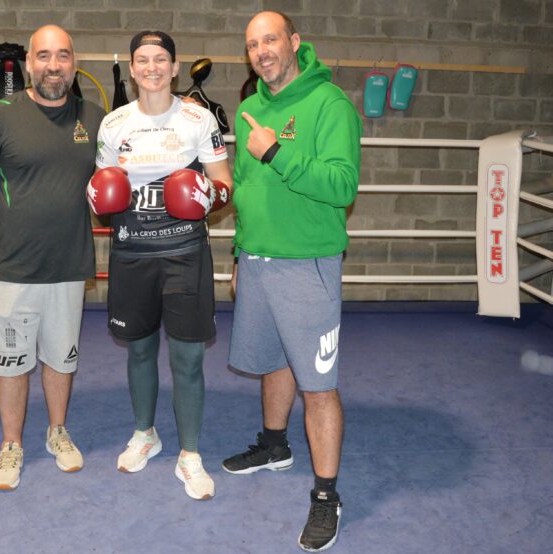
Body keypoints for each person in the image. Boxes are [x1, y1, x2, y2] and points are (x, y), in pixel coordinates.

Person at [222, 11, 361, 552]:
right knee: (273, 360)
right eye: (253, 44)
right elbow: (246, 190)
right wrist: (238, 252)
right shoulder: (250, 108)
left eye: (271, 39)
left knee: (318, 386)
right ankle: (274, 444)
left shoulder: (330, 105)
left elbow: (343, 185)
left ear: (294, 43)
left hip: (308, 263)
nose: (262, 51)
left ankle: (327, 495)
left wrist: (277, 152)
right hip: (257, 260)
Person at [0, 25, 105, 491]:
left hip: (69, 266)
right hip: (13, 267)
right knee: (10, 362)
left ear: (74, 62)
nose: (53, 66)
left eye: (62, 56)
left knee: (61, 357)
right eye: (43, 56)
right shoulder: (0, 117)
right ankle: (12, 444)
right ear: (29, 64)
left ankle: (57, 431)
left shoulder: (96, 119)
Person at [89, 30, 232, 500]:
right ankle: (145, 433)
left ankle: (190, 454)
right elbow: (103, 190)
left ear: (174, 68)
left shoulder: (197, 119)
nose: (152, 67)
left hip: (184, 253)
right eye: (142, 60)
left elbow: (225, 184)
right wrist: (97, 196)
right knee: (139, 349)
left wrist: (207, 195)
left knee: (188, 356)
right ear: (132, 69)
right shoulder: (113, 125)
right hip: (132, 252)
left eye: (161, 59)